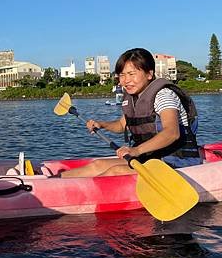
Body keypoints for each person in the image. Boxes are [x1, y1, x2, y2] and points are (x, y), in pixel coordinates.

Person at [62, 48, 201, 178]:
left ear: (149, 74)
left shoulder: (163, 95)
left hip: (176, 161)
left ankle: (71, 194)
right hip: (150, 158)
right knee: (97, 165)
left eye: (131, 74)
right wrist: (102, 124)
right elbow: (122, 125)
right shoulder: (133, 98)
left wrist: (136, 150)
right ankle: (50, 179)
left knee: (115, 171)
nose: (126, 80)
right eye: (122, 75)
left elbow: (172, 133)